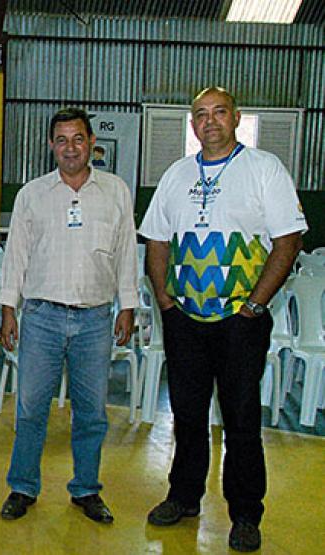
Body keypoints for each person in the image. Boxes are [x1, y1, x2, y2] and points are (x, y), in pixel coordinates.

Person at [140, 86, 306, 552]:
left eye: (218, 112)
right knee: (187, 415)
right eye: (200, 114)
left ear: (235, 118)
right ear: (192, 125)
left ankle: (246, 513)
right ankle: (184, 496)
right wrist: (165, 300)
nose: (209, 121)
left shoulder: (263, 169)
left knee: (241, 419)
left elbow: (287, 241)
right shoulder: (176, 175)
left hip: (240, 320)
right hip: (185, 319)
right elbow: (156, 239)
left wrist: (254, 306)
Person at [0, 107, 137, 524]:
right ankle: (22, 487)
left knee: (92, 411)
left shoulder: (115, 191)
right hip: (41, 317)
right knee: (31, 409)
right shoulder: (32, 194)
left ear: (92, 143)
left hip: (95, 319)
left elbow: (127, 251)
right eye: (62, 140)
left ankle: (86, 489)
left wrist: (127, 306)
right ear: (51, 146)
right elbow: (15, 257)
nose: (71, 148)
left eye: (78, 139)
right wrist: (9, 310)